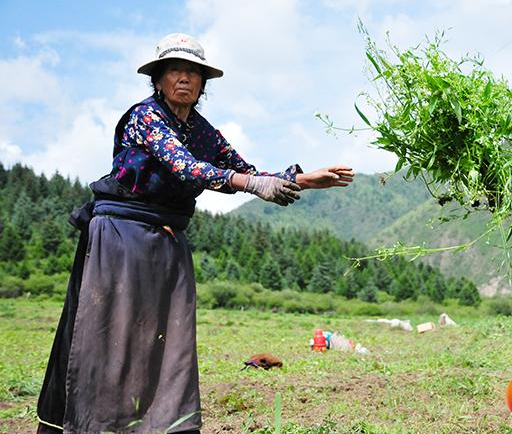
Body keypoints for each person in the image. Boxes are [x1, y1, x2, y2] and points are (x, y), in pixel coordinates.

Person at [36, 33, 354, 434]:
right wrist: (251, 185)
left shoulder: (203, 131)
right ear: (158, 80)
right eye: (174, 71)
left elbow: (246, 170)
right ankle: (100, 425)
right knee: (113, 338)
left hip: (166, 239)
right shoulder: (145, 117)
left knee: (167, 340)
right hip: (121, 238)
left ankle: (161, 425)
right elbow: (184, 166)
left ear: (203, 84)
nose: (183, 79)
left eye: (192, 73)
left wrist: (304, 180)